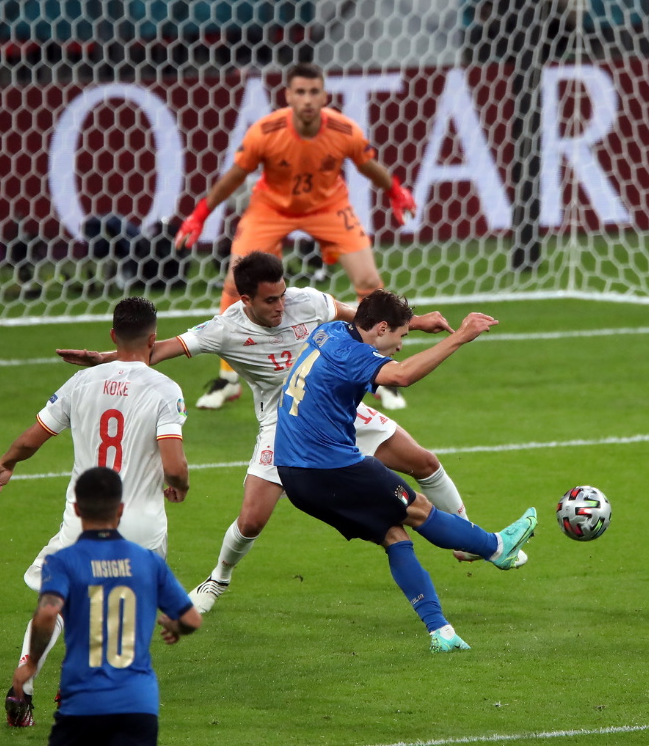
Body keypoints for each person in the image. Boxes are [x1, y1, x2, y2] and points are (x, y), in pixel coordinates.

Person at [56, 251, 513, 618]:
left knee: (424, 461)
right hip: (283, 422)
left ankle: (468, 540)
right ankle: (217, 578)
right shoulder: (224, 328)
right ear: (245, 299)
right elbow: (157, 350)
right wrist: (105, 358)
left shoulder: (308, 301)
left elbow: (360, 321)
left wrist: (412, 324)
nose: (282, 305)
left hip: (338, 408)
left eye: (282, 295)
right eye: (271, 300)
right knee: (252, 519)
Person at [275, 289, 537, 652]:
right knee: (418, 508)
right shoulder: (353, 353)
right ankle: (495, 547)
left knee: (393, 535)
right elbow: (400, 377)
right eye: (401, 335)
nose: (400, 345)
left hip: (293, 474)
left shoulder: (329, 332)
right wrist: (460, 336)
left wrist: (414, 321)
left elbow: (366, 320)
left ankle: (441, 632)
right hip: (331, 467)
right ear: (382, 328)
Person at [0, 297, 190, 726]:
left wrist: (6, 463)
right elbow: (175, 465)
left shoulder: (82, 383)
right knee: (124, 605)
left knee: (55, 600)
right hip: (140, 523)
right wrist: (178, 487)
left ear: (113, 336)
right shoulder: (166, 389)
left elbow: (34, 436)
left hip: (84, 515)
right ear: (153, 338)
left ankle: (25, 680)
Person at [173, 62, 417, 411]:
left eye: (313, 92)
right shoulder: (266, 131)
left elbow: (366, 166)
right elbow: (234, 175)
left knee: (369, 281)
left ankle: (379, 370)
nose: (307, 99)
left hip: (328, 205)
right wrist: (199, 215)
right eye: (299, 92)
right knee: (234, 283)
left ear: (325, 95)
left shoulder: (343, 130)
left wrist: (395, 191)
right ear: (288, 96)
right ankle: (228, 378)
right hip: (271, 208)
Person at [9, 466, 201, 746]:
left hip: (83, 705)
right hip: (139, 704)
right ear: (120, 510)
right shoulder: (148, 562)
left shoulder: (63, 562)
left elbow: (48, 612)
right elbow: (192, 619)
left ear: (76, 509)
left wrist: (32, 663)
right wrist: (175, 626)